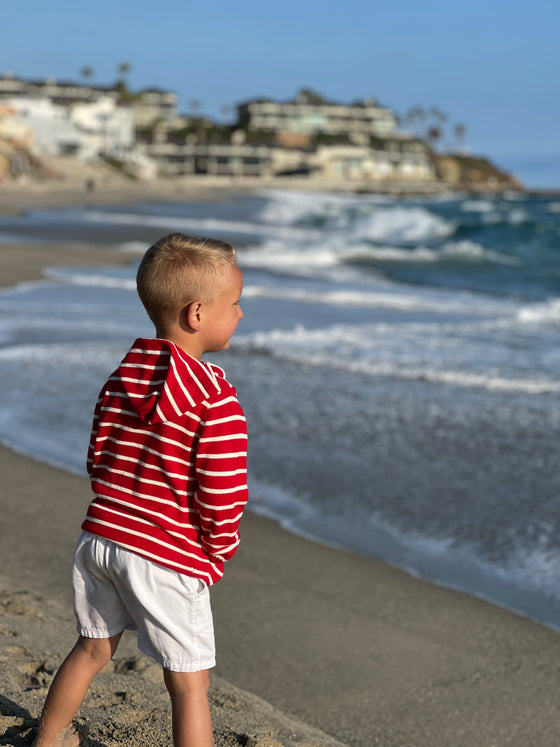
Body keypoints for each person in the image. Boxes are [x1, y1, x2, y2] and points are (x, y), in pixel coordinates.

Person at [33, 233, 249, 747]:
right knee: (190, 683)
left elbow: (98, 458)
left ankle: (48, 739)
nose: (240, 313)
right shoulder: (215, 400)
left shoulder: (120, 379)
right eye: (235, 303)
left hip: (100, 538)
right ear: (197, 314)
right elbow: (222, 494)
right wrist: (216, 553)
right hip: (164, 554)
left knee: (91, 648)